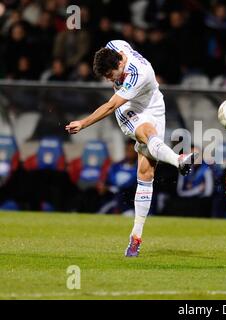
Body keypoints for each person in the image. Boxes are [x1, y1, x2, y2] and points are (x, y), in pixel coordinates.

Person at [65, 40, 197, 257]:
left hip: (152, 106)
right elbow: (116, 101)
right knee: (147, 133)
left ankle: (135, 237)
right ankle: (177, 160)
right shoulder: (115, 46)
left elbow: (109, 106)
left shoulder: (138, 73)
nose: (109, 79)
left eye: (110, 74)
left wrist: (83, 123)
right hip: (127, 108)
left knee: (146, 173)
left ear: (119, 63)